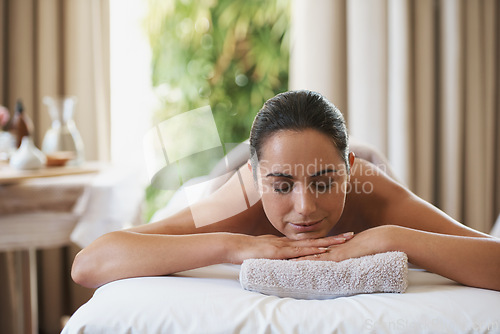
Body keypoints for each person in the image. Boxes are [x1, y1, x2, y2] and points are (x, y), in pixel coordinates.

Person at [71, 90, 500, 291]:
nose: (305, 208)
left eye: (323, 183)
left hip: (359, 165)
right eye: (282, 187)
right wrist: (232, 247)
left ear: (347, 172)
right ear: (259, 180)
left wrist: (391, 237)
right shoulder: (238, 200)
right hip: (241, 175)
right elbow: (89, 264)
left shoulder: (375, 193)